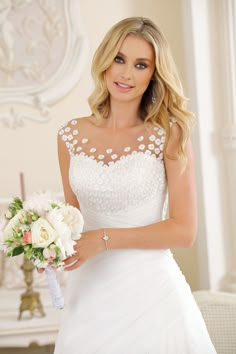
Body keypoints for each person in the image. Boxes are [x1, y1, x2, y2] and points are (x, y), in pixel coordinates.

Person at [54, 17, 216, 354]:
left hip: (152, 295)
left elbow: (184, 231)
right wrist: (49, 246)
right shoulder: (69, 135)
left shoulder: (169, 134)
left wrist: (104, 239)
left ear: (153, 74)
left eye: (140, 65)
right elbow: (73, 221)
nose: (126, 74)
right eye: (120, 59)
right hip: (88, 295)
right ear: (105, 61)